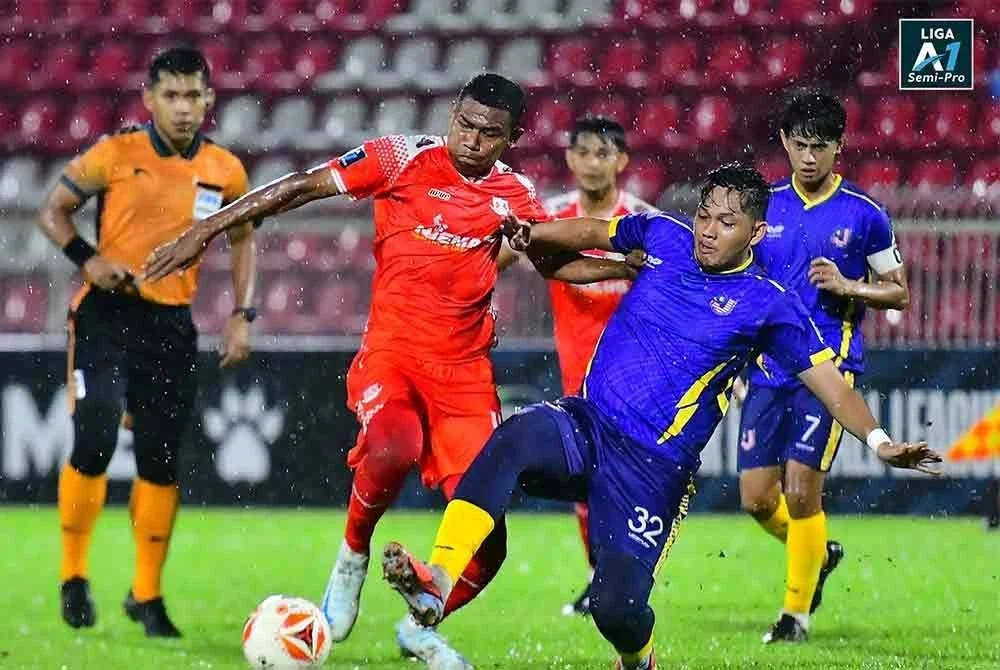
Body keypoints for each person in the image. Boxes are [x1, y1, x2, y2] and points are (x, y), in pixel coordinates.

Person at [144, 73, 636, 668]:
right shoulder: (401, 157)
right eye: (466, 125)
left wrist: (630, 270)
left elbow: (555, 266)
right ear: (451, 114)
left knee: (488, 544)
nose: (474, 141)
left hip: (464, 373)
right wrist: (205, 229)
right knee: (392, 442)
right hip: (394, 356)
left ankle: (419, 626)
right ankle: (352, 555)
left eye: (491, 134)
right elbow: (300, 187)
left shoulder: (515, 196)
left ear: (513, 138)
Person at [378, 164, 941, 670]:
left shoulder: (769, 305)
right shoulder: (665, 237)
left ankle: (638, 660)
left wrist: (880, 441)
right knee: (514, 438)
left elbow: (828, 383)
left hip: (652, 472)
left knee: (616, 611)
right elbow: (594, 232)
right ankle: (439, 580)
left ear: (756, 233)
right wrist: (536, 233)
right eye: (703, 215)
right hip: (588, 425)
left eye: (725, 221)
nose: (707, 229)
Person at [35, 46, 257, 637]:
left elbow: (242, 240)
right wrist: (88, 258)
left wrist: (242, 313)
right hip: (108, 314)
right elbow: (52, 210)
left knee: (161, 460)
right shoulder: (116, 154)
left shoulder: (226, 170)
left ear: (209, 100)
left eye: (193, 96)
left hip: (171, 325)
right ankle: (73, 574)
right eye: (172, 96)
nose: (183, 108)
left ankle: (146, 594)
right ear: (149, 99)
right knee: (97, 434)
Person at [733, 88, 910, 643]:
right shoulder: (765, 207)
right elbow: (745, 284)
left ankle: (794, 616)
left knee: (802, 488)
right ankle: (818, 552)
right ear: (784, 142)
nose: (809, 157)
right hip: (767, 371)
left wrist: (848, 285)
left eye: (821, 146)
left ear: (840, 147)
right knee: (757, 498)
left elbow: (899, 293)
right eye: (800, 145)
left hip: (829, 371)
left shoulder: (865, 216)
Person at [500, 115, 652, 616]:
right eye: (583, 152)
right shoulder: (552, 221)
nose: (591, 163)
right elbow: (497, 257)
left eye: (603, 153)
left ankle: (621, 577)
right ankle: (601, 578)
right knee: (587, 479)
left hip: (636, 377)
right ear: (569, 159)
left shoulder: (641, 224)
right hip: (577, 376)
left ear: (622, 161)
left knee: (625, 481)